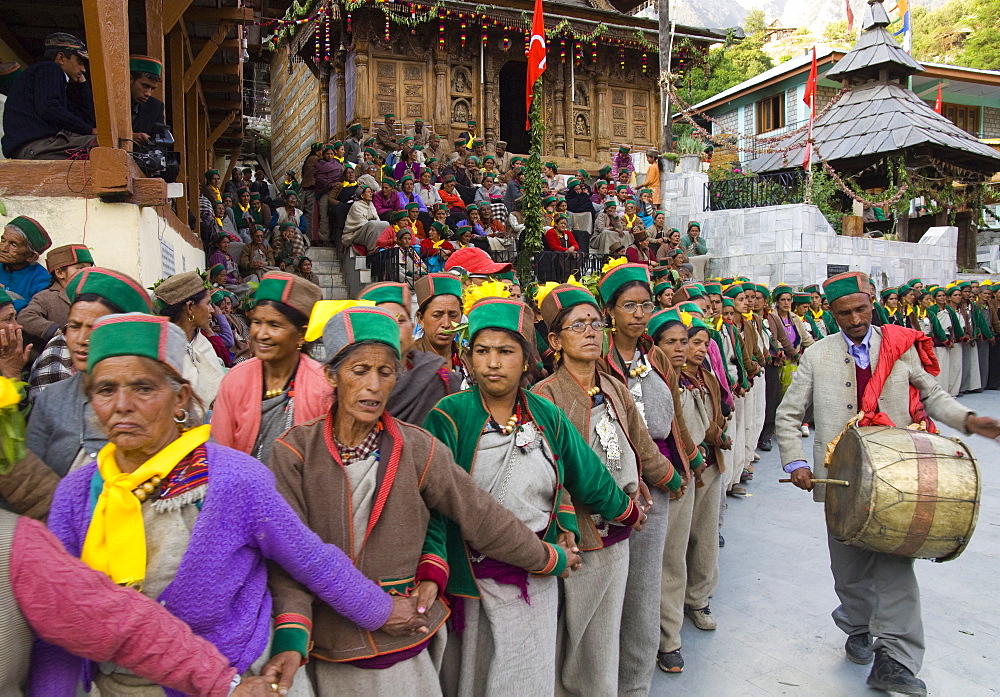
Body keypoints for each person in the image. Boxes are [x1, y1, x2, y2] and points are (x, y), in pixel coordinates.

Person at [37, 312, 428, 695]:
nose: (122, 405)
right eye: (106, 390)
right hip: (118, 685)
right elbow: (59, 618)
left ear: (181, 398)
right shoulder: (77, 495)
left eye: (143, 388)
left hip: (240, 676)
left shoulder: (232, 479)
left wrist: (380, 610)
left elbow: (310, 558)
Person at [263, 303, 575, 695]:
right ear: (331, 375)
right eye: (360, 371)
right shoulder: (294, 453)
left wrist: (547, 557)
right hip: (328, 641)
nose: (374, 386)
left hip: (404, 634)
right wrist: (292, 636)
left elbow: (480, 514)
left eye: (385, 372)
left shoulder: (416, 448)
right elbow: (290, 556)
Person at [776, 271, 1000, 696]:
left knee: (896, 569)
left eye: (861, 309)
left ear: (872, 301)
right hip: (840, 481)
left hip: (899, 478)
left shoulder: (899, 347)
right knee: (849, 570)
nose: (855, 318)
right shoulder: (817, 355)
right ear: (832, 313)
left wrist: (968, 421)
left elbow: (931, 395)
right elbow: (788, 416)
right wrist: (796, 462)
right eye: (845, 313)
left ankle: (895, 659)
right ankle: (857, 625)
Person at [423, 294, 644, 696]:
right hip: (473, 576)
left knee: (527, 676)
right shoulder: (449, 416)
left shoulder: (544, 414)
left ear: (525, 360)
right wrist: (434, 569)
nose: (493, 363)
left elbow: (585, 473)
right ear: (468, 357)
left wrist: (625, 510)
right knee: (473, 676)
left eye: (506, 351)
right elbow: (435, 504)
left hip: (536, 572)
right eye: (482, 351)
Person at [532, 283, 682, 696]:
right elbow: (552, 473)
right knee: (583, 632)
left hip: (623, 527)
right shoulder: (544, 397)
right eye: (577, 325)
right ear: (555, 340)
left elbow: (642, 443)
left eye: (595, 323)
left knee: (615, 620)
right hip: (584, 533)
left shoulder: (613, 385)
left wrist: (669, 474)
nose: (591, 332)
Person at [0, 504, 282, 696]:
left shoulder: (13, 542)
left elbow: (122, 623)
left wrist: (224, 684)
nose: (120, 411)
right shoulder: (79, 489)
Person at [595, 262, 701, 687]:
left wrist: (685, 459)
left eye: (645, 305)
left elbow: (671, 413)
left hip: (658, 485)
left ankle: (635, 680)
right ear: (611, 312)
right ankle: (602, 677)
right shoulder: (595, 356)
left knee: (644, 586)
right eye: (628, 306)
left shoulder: (654, 356)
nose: (639, 314)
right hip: (614, 485)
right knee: (608, 590)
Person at [21, 268, 154, 505]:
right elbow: (29, 481)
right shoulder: (51, 399)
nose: (81, 339)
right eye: (74, 326)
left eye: (94, 328)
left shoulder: (156, 398)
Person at [652, 309, 729, 674]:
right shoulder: (656, 381)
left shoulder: (704, 378)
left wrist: (715, 435)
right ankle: (669, 635)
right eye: (674, 342)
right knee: (672, 553)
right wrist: (692, 455)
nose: (683, 348)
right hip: (679, 476)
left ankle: (698, 599)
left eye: (688, 341)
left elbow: (714, 416)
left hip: (709, 467)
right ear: (655, 346)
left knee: (705, 538)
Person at [212, 272, 327, 464]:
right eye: (257, 322)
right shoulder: (236, 379)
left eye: (274, 325)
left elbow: (321, 465)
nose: (261, 334)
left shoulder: (322, 386)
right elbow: (219, 454)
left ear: (301, 334)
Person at [1, 33, 96, 159]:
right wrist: (89, 131)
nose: (83, 69)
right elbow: (49, 108)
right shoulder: (50, 68)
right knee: (106, 145)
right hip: (37, 147)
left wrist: (82, 86)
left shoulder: (47, 83)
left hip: (35, 148)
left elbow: (86, 121)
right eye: (79, 61)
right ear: (61, 58)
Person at [152, 271, 228, 407]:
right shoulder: (164, 351)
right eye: (208, 303)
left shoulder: (201, 342)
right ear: (190, 307)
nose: (212, 310)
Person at [16, 243, 93, 349]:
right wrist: (55, 331)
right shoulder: (46, 297)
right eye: (80, 269)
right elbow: (25, 317)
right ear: (60, 273)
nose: (87, 273)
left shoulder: (93, 296)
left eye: (89, 269)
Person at [0, 216, 53, 311]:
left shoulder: (41, 280)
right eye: (3, 240)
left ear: (31, 256)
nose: (3, 248)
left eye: (13, 245)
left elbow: (34, 310)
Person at [343, 184, 392, 253]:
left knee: (385, 224)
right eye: (368, 192)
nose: (371, 194)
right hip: (355, 234)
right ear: (362, 195)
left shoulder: (371, 204)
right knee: (372, 224)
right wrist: (372, 222)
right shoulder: (356, 205)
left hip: (369, 228)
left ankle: (380, 247)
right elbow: (361, 223)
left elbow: (377, 219)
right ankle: (372, 249)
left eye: (371, 192)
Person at [128, 55, 165, 144]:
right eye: (145, 86)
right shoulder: (106, 99)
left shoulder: (155, 107)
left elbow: (160, 141)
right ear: (129, 79)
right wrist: (130, 137)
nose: (148, 93)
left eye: (152, 89)